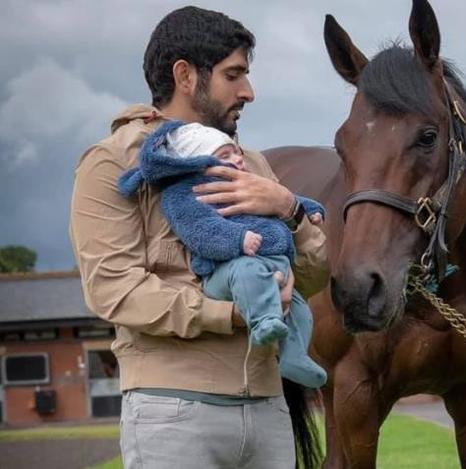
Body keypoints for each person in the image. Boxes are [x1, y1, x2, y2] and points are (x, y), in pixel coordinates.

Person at [69, 6, 328, 469]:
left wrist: (288, 208)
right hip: (173, 412)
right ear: (185, 76)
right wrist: (232, 313)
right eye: (234, 75)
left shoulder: (254, 164)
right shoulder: (113, 163)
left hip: (269, 409)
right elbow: (114, 289)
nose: (248, 91)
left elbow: (313, 276)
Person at [117, 120, 328, 389]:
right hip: (228, 268)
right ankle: (264, 322)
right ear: (199, 162)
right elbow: (201, 231)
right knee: (247, 274)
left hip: (271, 264)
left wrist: (305, 208)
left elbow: (287, 200)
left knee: (300, 308)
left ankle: (295, 357)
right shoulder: (186, 193)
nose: (237, 159)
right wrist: (238, 240)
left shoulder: (248, 180)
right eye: (224, 155)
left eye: (236, 152)